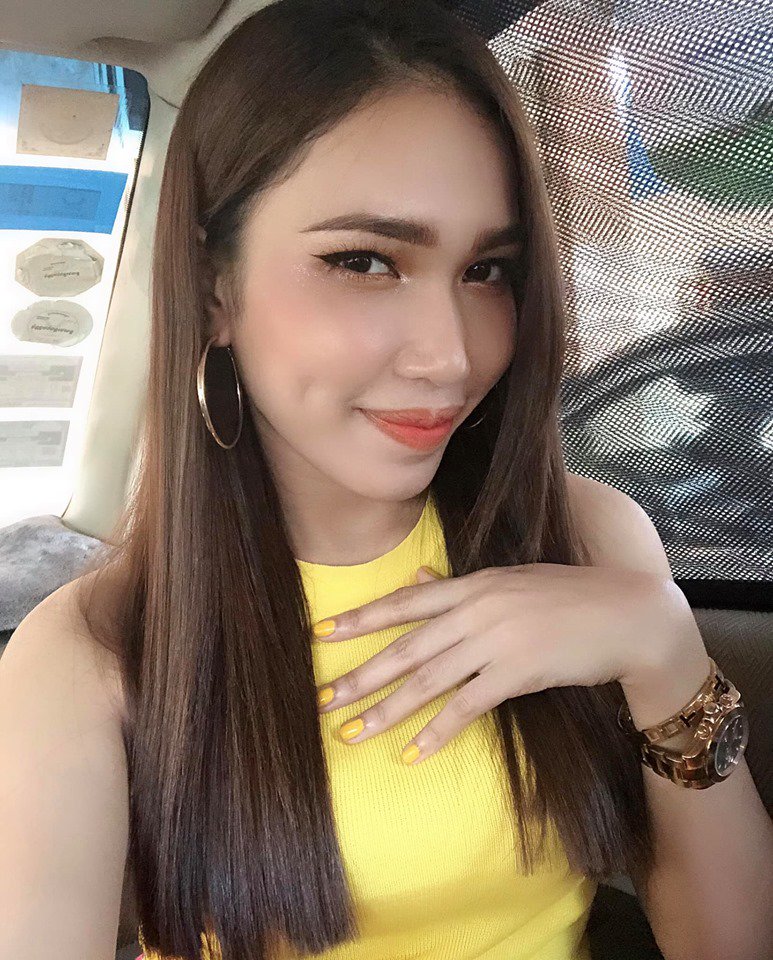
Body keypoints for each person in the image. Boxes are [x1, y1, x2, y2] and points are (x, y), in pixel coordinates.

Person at [3, 1, 769, 959]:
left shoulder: (590, 539)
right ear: (212, 288)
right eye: (363, 261)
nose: (450, 356)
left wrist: (665, 653)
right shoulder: (91, 657)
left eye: (487, 271)